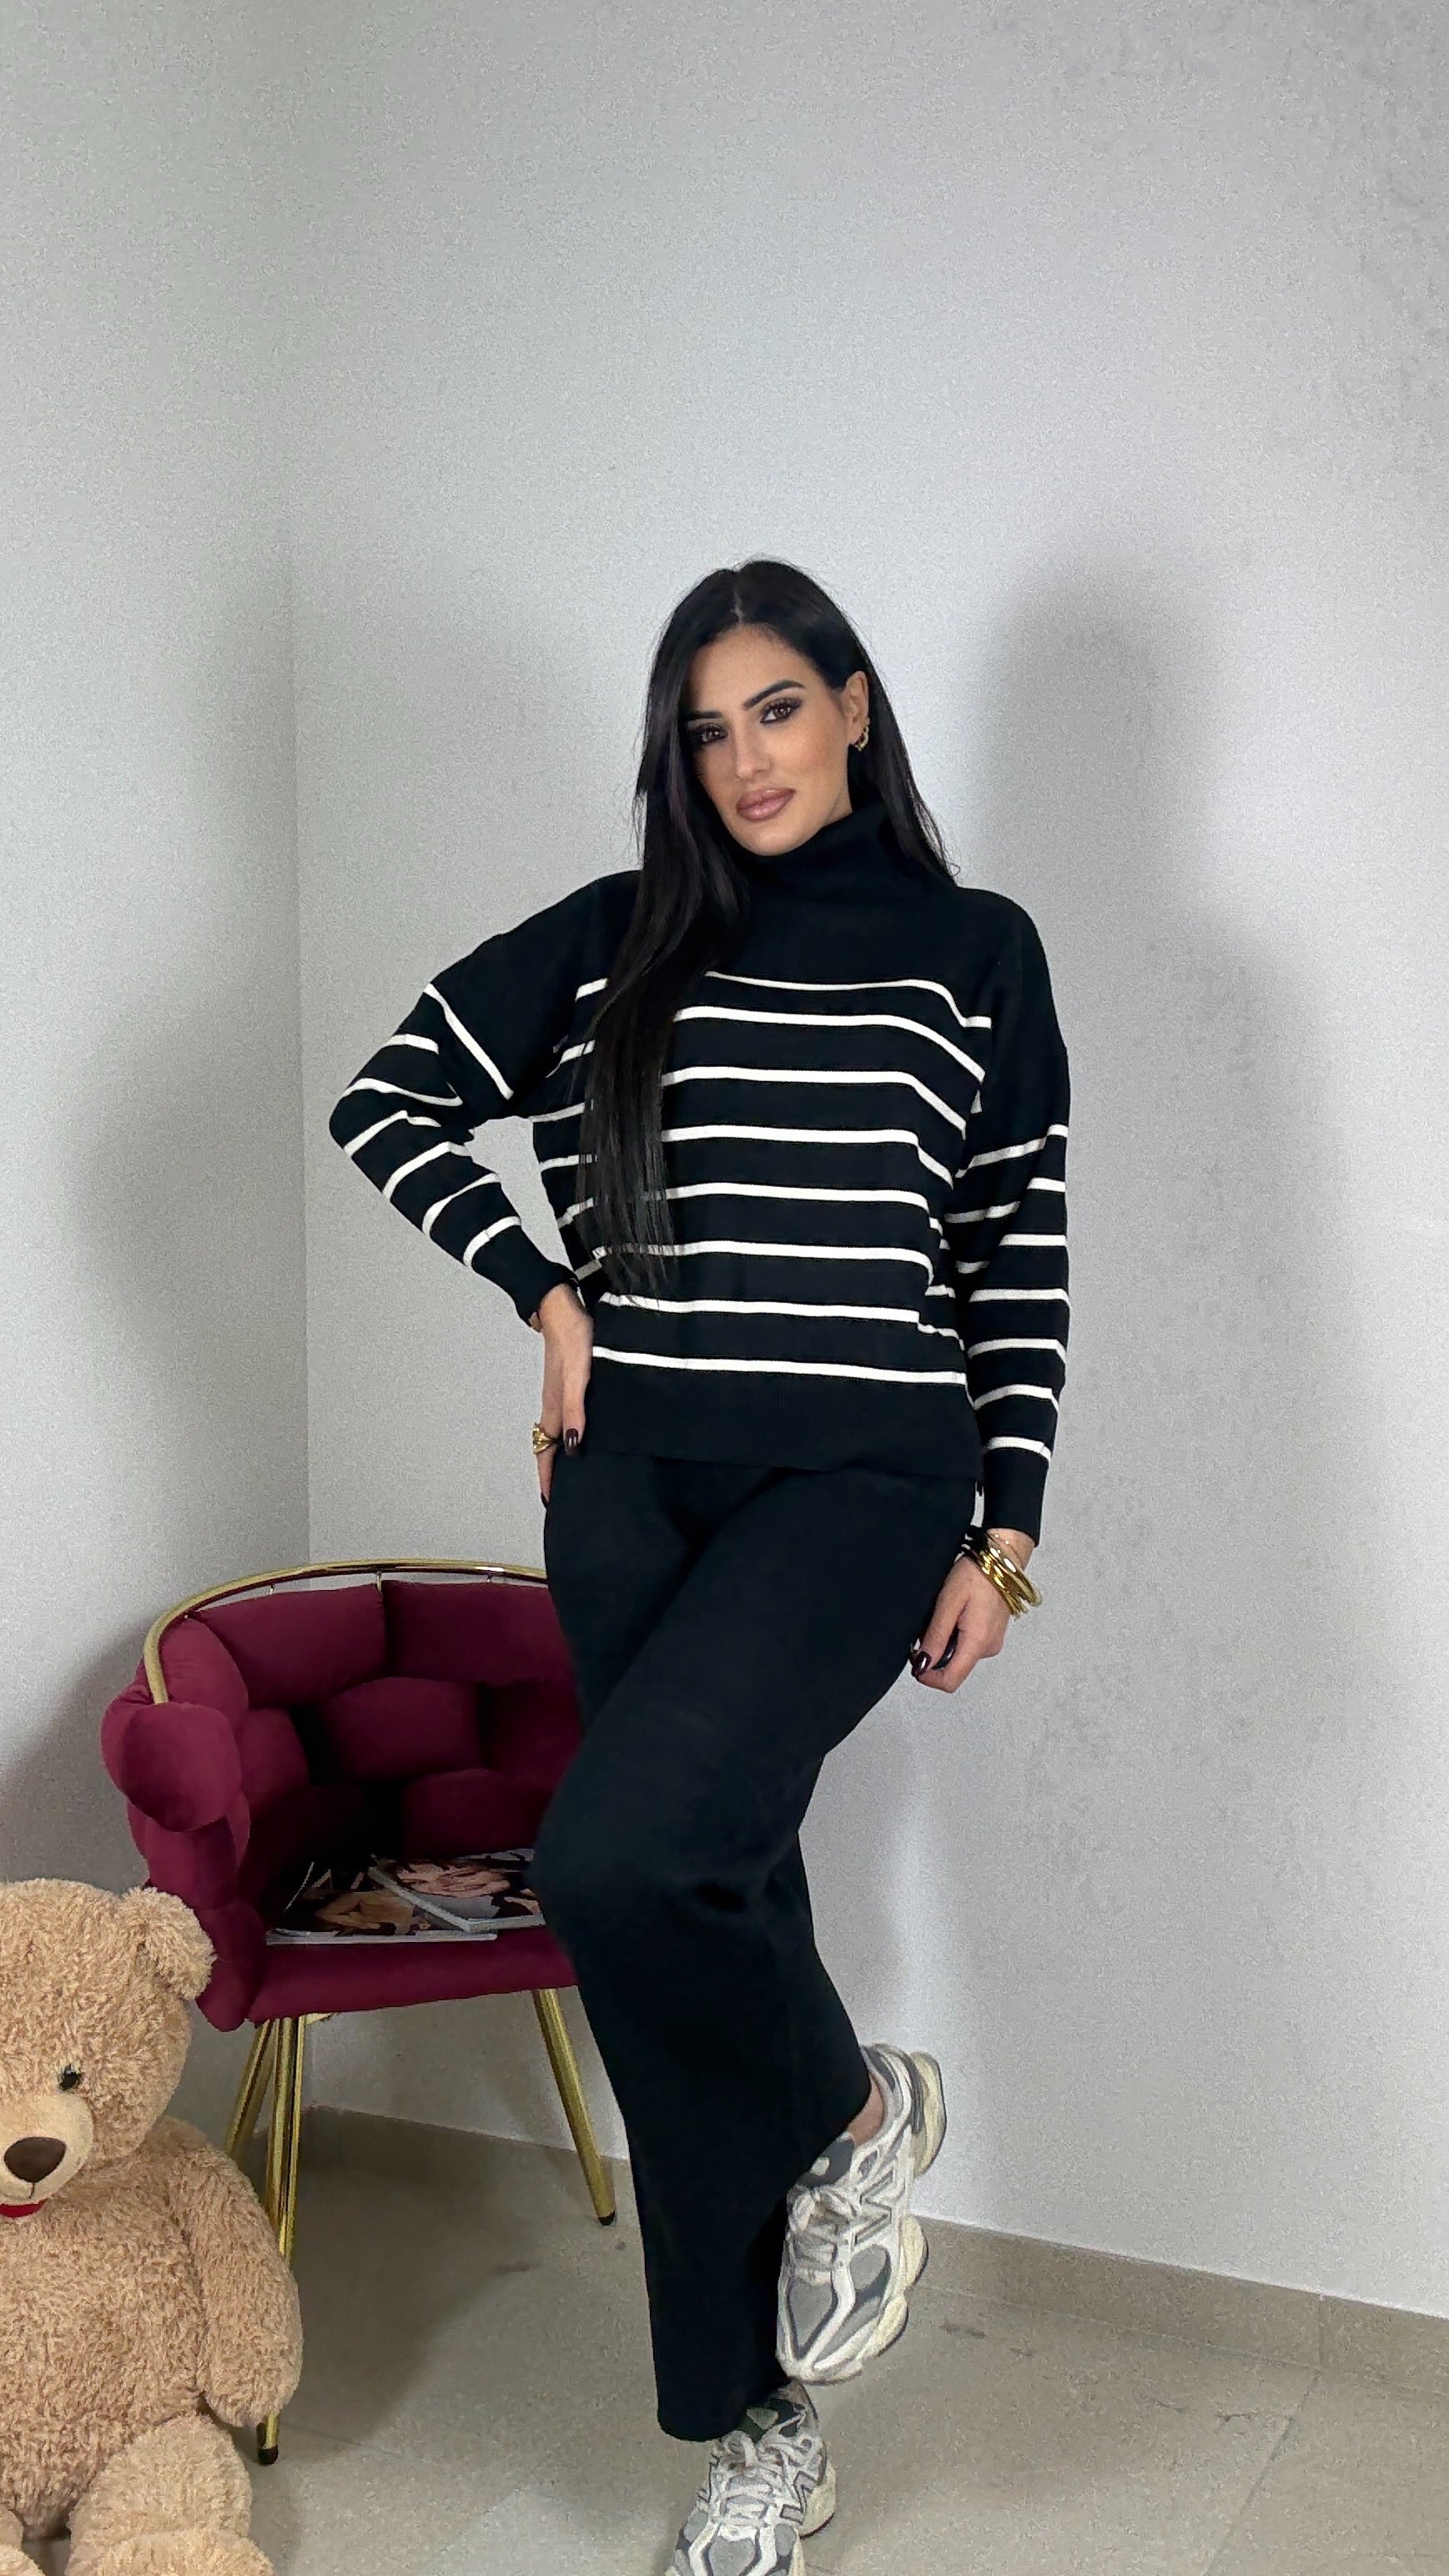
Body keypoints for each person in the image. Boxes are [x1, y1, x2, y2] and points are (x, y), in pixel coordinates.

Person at [328, 556, 1070, 2573]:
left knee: (616, 1854)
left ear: (851, 705)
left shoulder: (974, 952)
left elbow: (1012, 1253)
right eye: (703, 728)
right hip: (630, 1480)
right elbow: (386, 1100)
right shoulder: (613, 939)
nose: (743, 757)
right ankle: (761, 2420)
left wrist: (1004, 1533)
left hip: (861, 1474)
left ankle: (856, 2110)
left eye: (775, 708)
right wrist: (540, 1285)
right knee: (689, 1907)